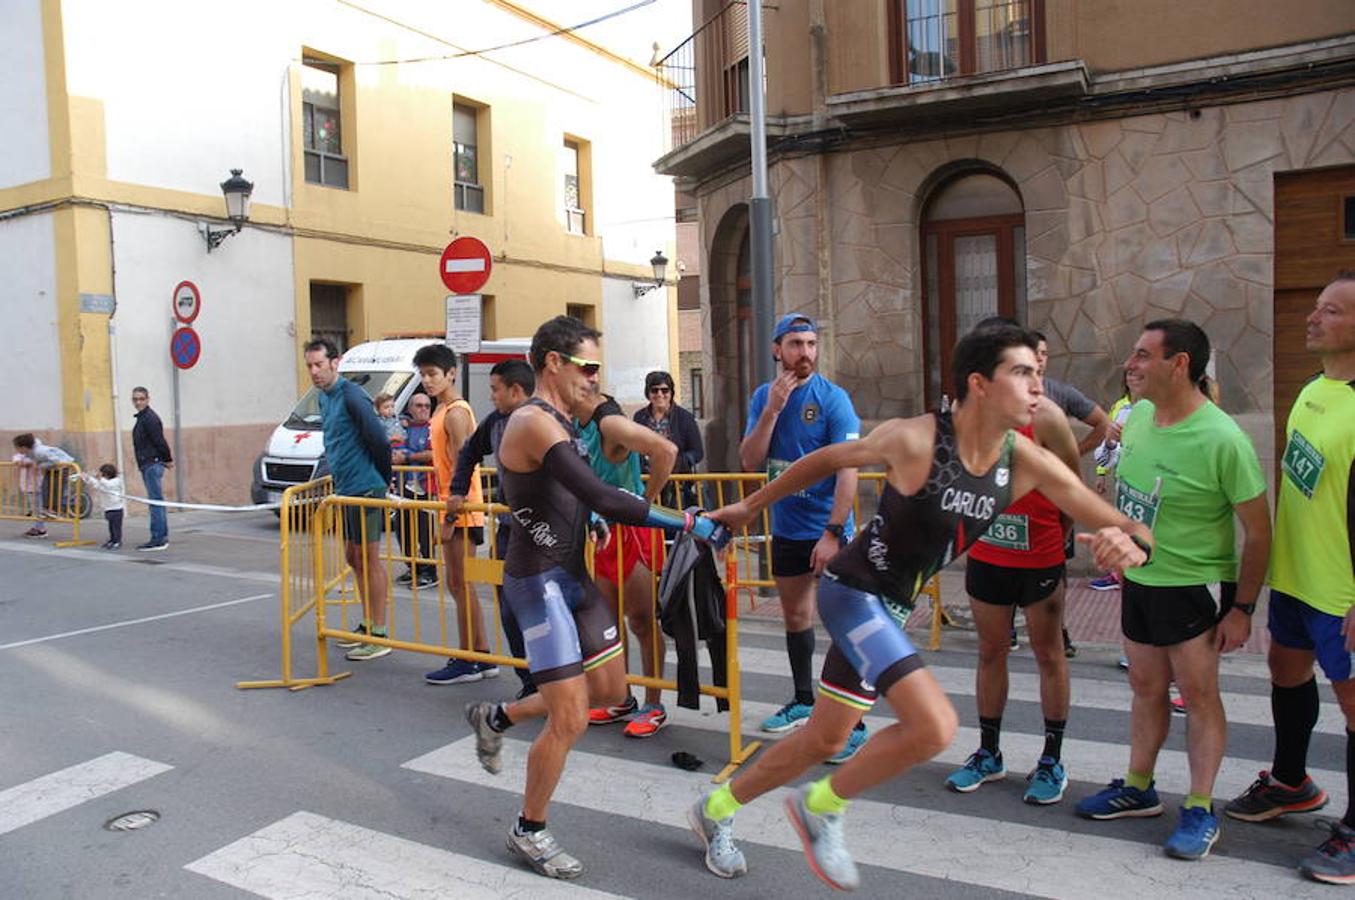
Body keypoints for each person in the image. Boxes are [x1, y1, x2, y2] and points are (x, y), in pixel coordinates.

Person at [692, 323, 1151, 889]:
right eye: (1023, 372)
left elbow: (1121, 521)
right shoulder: (916, 439)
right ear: (979, 384)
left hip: (890, 609)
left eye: (1039, 372)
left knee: (825, 739)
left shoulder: (1023, 461)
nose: (1038, 385)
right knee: (934, 727)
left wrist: (1133, 542)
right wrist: (746, 507)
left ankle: (714, 809)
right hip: (853, 590)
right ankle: (823, 805)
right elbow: (830, 458)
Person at [460, 315, 727, 880]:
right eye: (587, 366)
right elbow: (601, 490)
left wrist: (588, 523)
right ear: (553, 363)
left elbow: (570, 496)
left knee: (609, 689)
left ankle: (497, 717)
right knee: (572, 717)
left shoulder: (564, 418)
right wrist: (690, 524)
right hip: (538, 586)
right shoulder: (533, 422)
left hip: (574, 579)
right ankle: (528, 828)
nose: (594, 378)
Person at [1074, 319, 1270, 863]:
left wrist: (1243, 609)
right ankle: (1139, 787)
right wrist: (1115, 540)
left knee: (1200, 697)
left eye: (1142, 356)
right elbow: (1125, 495)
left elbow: (1259, 530)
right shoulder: (1134, 420)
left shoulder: (1222, 437)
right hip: (1140, 582)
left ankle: (1201, 806)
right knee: (1144, 686)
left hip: (1195, 587)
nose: (1129, 365)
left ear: (1179, 363)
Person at [1222, 273, 1355, 885]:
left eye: (1330, 310)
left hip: (1344, 591)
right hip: (1299, 580)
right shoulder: (1312, 390)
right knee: (1286, 671)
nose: (1313, 317)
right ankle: (1291, 782)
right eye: (1317, 304)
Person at [947, 322, 1083, 805]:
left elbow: (1071, 483)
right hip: (987, 555)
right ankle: (989, 753)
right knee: (990, 651)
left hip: (1040, 555)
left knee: (1048, 654)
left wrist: (1059, 535)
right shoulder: (965, 414)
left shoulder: (1045, 416)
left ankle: (1051, 758)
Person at [740, 313, 867, 763]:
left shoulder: (833, 399)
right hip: (788, 528)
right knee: (796, 615)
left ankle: (854, 721)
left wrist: (834, 532)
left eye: (812, 343)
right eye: (796, 344)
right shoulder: (763, 397)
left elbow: (848, 469)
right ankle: (802, 699)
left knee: (840, 621)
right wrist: (772, 411)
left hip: (828, 528)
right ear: (777, 350)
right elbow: (750, 461)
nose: (805, 353)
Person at [577, 386, 677, 738]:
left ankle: (654, 703)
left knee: (642, 621)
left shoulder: (610, 424)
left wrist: (645, 505)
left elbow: (666, 450)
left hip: (633, 534)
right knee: (610, 622)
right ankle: (623, 697)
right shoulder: (578, 424)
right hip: (603, 534)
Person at [448, 358, 537, 697]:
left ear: (516, 390)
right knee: (509, 607)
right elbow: (469, 450)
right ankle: (528, 680)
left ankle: (555, 679)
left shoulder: (544, 420)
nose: (492, 396)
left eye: (495, 390)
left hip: (542, 533)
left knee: (543, 608)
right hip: (508, 529)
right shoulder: (496, 422)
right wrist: (457, 490)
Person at [304, 339, 394, 662]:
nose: (314, 371)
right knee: (353, 557)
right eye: (310, 366)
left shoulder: (352, 394)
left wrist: (381, 480)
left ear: (335, 362)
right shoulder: (323, 399)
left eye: (319, 364)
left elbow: (379, 440)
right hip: (345, 489)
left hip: (366, 488)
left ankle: (379, 634)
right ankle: (367, 624)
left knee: (369, 559)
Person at [417, 343, 497, 686]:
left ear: (451, 372)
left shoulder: (455, 413)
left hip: (460, 508)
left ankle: (470, 658)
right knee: (458, 584)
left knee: (459, 583)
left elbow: (462, 465)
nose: (427, 381)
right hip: (454, 506)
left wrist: (451, 516)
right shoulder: (443, 410)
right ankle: (479, 654)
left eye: (433, 374)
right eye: (422, 375)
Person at [1089, 373, 1138, 592]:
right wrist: (1102, 469)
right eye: (1129, 375)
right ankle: (1119, 575)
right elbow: (1106, 453)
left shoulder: (1162, 409)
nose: (1134, 378)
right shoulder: (1121, 407)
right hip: (1125, 484)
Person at [633, 370, 703, 508]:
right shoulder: (639, 417)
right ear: (648, 393)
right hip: (648, 482)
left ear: (671, 393)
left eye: (664, 390)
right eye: (655, 390)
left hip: (676, 485)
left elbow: (698, 452)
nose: (660, 394)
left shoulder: (685, 418)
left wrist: (679, 460)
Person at [393, 393, 436, 588]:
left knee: (424, 531)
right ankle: (413, 568)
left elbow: (433, 454)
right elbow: (394, 448)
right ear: (410, 408)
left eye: (427, 406)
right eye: (419, 405)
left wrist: (409, 457)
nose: (424, 409)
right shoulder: (403, 427)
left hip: (425, 488)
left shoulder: (432, 429)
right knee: (403, 529)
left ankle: (429, 571)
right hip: (403, 488)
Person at [130, 386, 172, 551]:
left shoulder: (149, 418)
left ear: (148, 399)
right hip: (147, 463)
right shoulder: (142, 418)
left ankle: (159, 538)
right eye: (135, 399)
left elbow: (159, 441)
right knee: (155, 501)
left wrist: (167, 459)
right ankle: (160, 535)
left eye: (141, 399)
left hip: (152, 463)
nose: (138, 402)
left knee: (155, 502)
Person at [10, 434, 74, 538]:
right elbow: (20, 458)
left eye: (17, 448)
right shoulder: (30, 452)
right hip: (52, 468)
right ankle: (46, 512)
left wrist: (39, 465)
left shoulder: (39, 451)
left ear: (24, 447)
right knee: (46, 488)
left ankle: (54, 510)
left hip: (62, 467)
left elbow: (56, 461)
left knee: (55, 488)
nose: (17, 450)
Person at [73, 463, 126, 550]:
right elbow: (97, 485)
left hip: (117, 509)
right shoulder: (104, 482)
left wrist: (99, 478)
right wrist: (88, 478)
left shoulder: (116, 481)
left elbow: (108, 485)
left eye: (103, 474)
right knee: (111, 527)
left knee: (116, 527)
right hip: (108, 508)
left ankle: (117, 541)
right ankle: (112, 540)